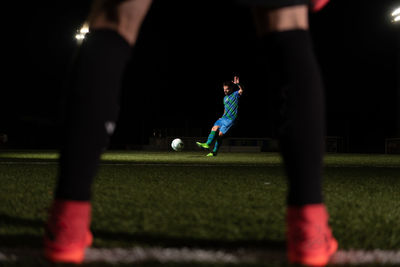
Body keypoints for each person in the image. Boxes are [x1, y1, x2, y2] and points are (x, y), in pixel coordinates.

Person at [43, 0, 337, 266]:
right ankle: (308, 226)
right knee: (287, 21)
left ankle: (68, 220)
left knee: (112, 17)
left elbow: (240, 92)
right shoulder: (225, 96)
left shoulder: (232, 95)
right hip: (223, 119)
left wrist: (237, 88)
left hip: (226, 120)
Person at [196, 76, 243, 156]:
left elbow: (241, 90)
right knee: (214, 128)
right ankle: (207, 144)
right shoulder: (224, 98)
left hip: (231, 119)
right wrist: (222, 116)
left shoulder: (235, 95)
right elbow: (225, 108)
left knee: (220, 136)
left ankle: (214, 152)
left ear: (231, 88)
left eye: (227, 89)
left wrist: (238, 84)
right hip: (223, 118)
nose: (225, 91)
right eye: (224, 89)